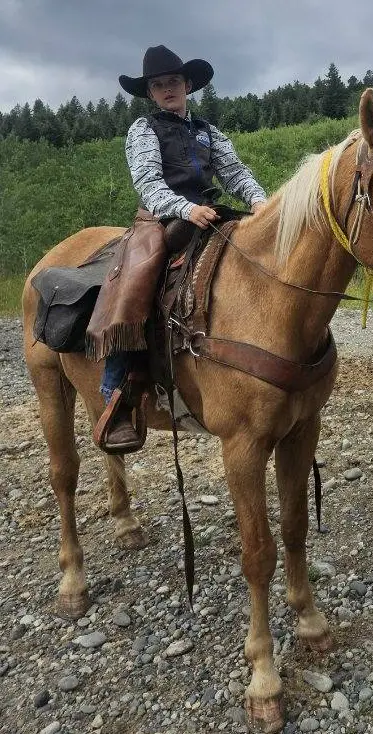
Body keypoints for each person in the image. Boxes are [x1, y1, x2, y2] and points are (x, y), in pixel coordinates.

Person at [86, 45, 268, 452]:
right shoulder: (143, 130)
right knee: (139, 278)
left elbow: (235, 173)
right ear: (151, 93)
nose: (167, 89)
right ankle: (118, 391)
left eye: (173, 82)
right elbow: (148, 183)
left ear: (187, 86)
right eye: (158, 85)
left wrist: (260, 202)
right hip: (162, 216)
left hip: (208, 211)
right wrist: (186, 208)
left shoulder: (207, 130)